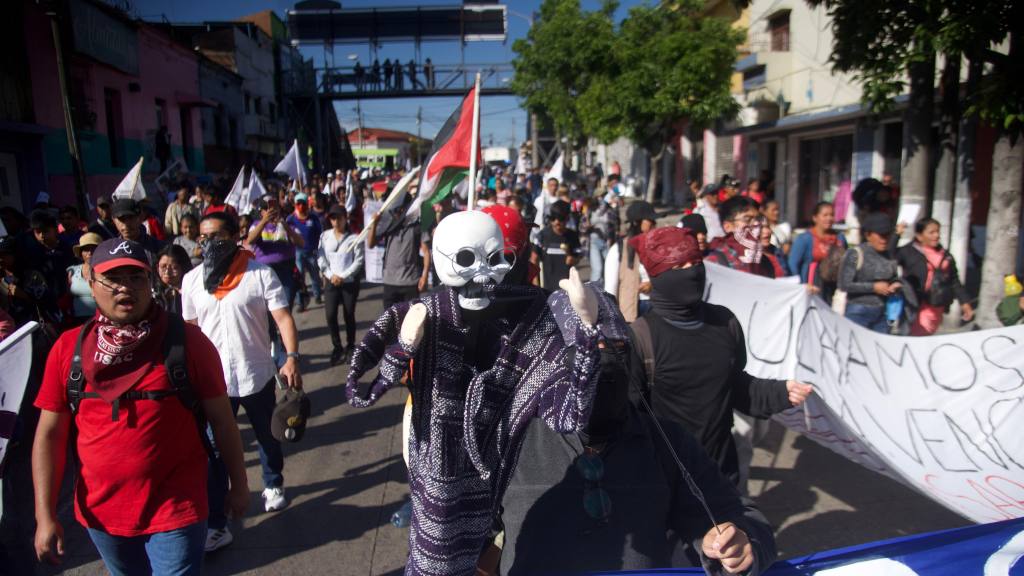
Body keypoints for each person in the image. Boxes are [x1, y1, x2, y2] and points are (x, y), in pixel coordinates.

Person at [31, 237, 248, 575]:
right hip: (100, 514)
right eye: (113, 278)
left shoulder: (188, 342)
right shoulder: (67, 349)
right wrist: (44, 515)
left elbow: (222, 421)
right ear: (91, 283)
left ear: (151, 282)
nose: (124, 288)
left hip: (177, 506)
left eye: (135, 278)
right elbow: (49, 435)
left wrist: (239, 485)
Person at [500, 338, 777, 575]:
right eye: (584, 346)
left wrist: (740, 542)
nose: (600, 359)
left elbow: (738, 515)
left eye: (613, 346)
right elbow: (466, 532)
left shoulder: (667, 441)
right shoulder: (508, 440)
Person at [627, 226, 812, 486]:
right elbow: (626, 420)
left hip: (722, 473)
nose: (691, 272)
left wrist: (781, 392)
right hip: (666, 481)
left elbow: (736, 387)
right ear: (658, 275)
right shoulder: (640, 338)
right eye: (679, 266)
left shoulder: (725, 322)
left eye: (696, 262)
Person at [181, 212, 303, 551]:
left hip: (256, 374)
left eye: (217, 236)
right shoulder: (191, 281)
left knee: (267, 435)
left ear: (236, 236)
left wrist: (291, 358)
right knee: (214, 450)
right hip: (211, 384)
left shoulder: (259, 274)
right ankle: (217, 524)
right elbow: (189, 333)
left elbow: (283, 318)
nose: (208, 243)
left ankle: (273, 483)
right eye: (203, 238)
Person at [896, 217, 974, 335]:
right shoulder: (908, 252)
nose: (936, 235)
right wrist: (897, 235)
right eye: (931, 232)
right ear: (919, 236)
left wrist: (965, 302)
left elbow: (954, 281)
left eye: (938, 232)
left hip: (936, 308)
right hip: (915, 307)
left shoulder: (945, 256)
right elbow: (889, 258)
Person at [838, 213, 901, 334]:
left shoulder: (890, 255)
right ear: (868, 235)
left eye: (887, 235)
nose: (884, 239)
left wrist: (895, 284)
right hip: (858, 313)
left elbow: (894, 277)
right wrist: (873, 287)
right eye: (880, 235)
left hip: (883, 314)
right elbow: (843, 284)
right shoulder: (855, 253)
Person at [366, 191, 430, 308]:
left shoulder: (417, 226)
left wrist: (424, 276)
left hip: (410, 281)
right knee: (390, 322)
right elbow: (370, 244)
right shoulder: (389, 225)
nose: (397, 212)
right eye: (396, 209)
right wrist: (374, 224)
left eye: (400, 209)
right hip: (390, 282)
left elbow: (426, 252)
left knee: (410, 322)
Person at [317, 205, 364, 366]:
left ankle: (351, 346)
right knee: (330, 315)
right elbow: (321, 258)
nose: (336, 221)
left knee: (349, 314)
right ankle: (337, 347)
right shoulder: (324, 236)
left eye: (339, 218)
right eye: (332, 218)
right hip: (331, 281)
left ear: (345, 218)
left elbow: (358, 261)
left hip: (348, 282)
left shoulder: (354, 238)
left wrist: (343, 276)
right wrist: (331, 275)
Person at [247, 194, 304, 308]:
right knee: (268, 306)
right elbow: (250, 240)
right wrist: (263, 222)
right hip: (265, 270)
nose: (271, 211)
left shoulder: (289, 224)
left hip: (286, 269)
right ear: (261, 211)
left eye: (274, 207)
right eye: (267, 208)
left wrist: (285, 226)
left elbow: (300, 242)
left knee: (286, 304)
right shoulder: (256, 225)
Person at [604, 200, 657, 322]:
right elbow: (610, 288)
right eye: (651, 220)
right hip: (630, 311)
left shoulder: (657, 246)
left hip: (656, 308)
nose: (655, 224)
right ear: (637, 222)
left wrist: (652, 284)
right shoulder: (619, 249)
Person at [789, 201, 847, 300]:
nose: (829, 218)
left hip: (833, 287)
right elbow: (793, 264)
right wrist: (800, 286)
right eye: (825, 215)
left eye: (832, 215)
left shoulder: (840, 238)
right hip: (812, 286)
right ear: (815, 218)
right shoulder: (805, 239)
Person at [706, 196, 776, 278]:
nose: (756, 224)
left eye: (758, 219)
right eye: (747, 219)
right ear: (728, 226)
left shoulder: (765, 262)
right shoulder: (715, 261)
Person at [286, 193, 324, 310]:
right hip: (297, 252)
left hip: (311, 251)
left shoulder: (313, 217)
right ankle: (300, 302)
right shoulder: (290, 219)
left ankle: (317, 295)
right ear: (295, 205)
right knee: (299, 279)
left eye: (303, 203)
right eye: (298, 204)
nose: (301, 206)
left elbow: (320, 233)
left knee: (314, 276)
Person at [533, 200, 581, 291]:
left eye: (560, 218)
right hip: (547, 289)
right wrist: (536, 284)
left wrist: (572, 260)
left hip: (567, 289)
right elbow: (533, 260)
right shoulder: (542, 236)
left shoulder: (572, 236)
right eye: (553, 218)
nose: (556, 222)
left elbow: (577, 258)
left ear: (567, 219)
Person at [582, 195, 618, 290]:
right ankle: (594, 292)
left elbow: (615, 224)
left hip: (607, 242)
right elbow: (582, 228)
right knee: (597, 269)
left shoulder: (608, 210)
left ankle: (608, 292)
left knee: (609, 268)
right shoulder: (589, 211)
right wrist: (587, 226)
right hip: (594, 242)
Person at [111, 199, 162, 264]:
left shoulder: (158, 247)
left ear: (141, 217)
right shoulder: (111, 251)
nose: (126, 224)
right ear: (114, 220)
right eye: (121, 219)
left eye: (131, 218)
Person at [66, 233, 102, 324]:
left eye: (93, 249)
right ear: (81, 252)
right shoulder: (72, 271)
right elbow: (67, 295)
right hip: (76, 320)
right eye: (86, 249)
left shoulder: (105, 271)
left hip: (100, 319)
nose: (89, 253)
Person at [155, 244, 192, 316]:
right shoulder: (153, 292)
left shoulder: (192, 291)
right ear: (157, 267)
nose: (167, 272)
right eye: (163, 267)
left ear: (183, 267)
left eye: (174, 267)